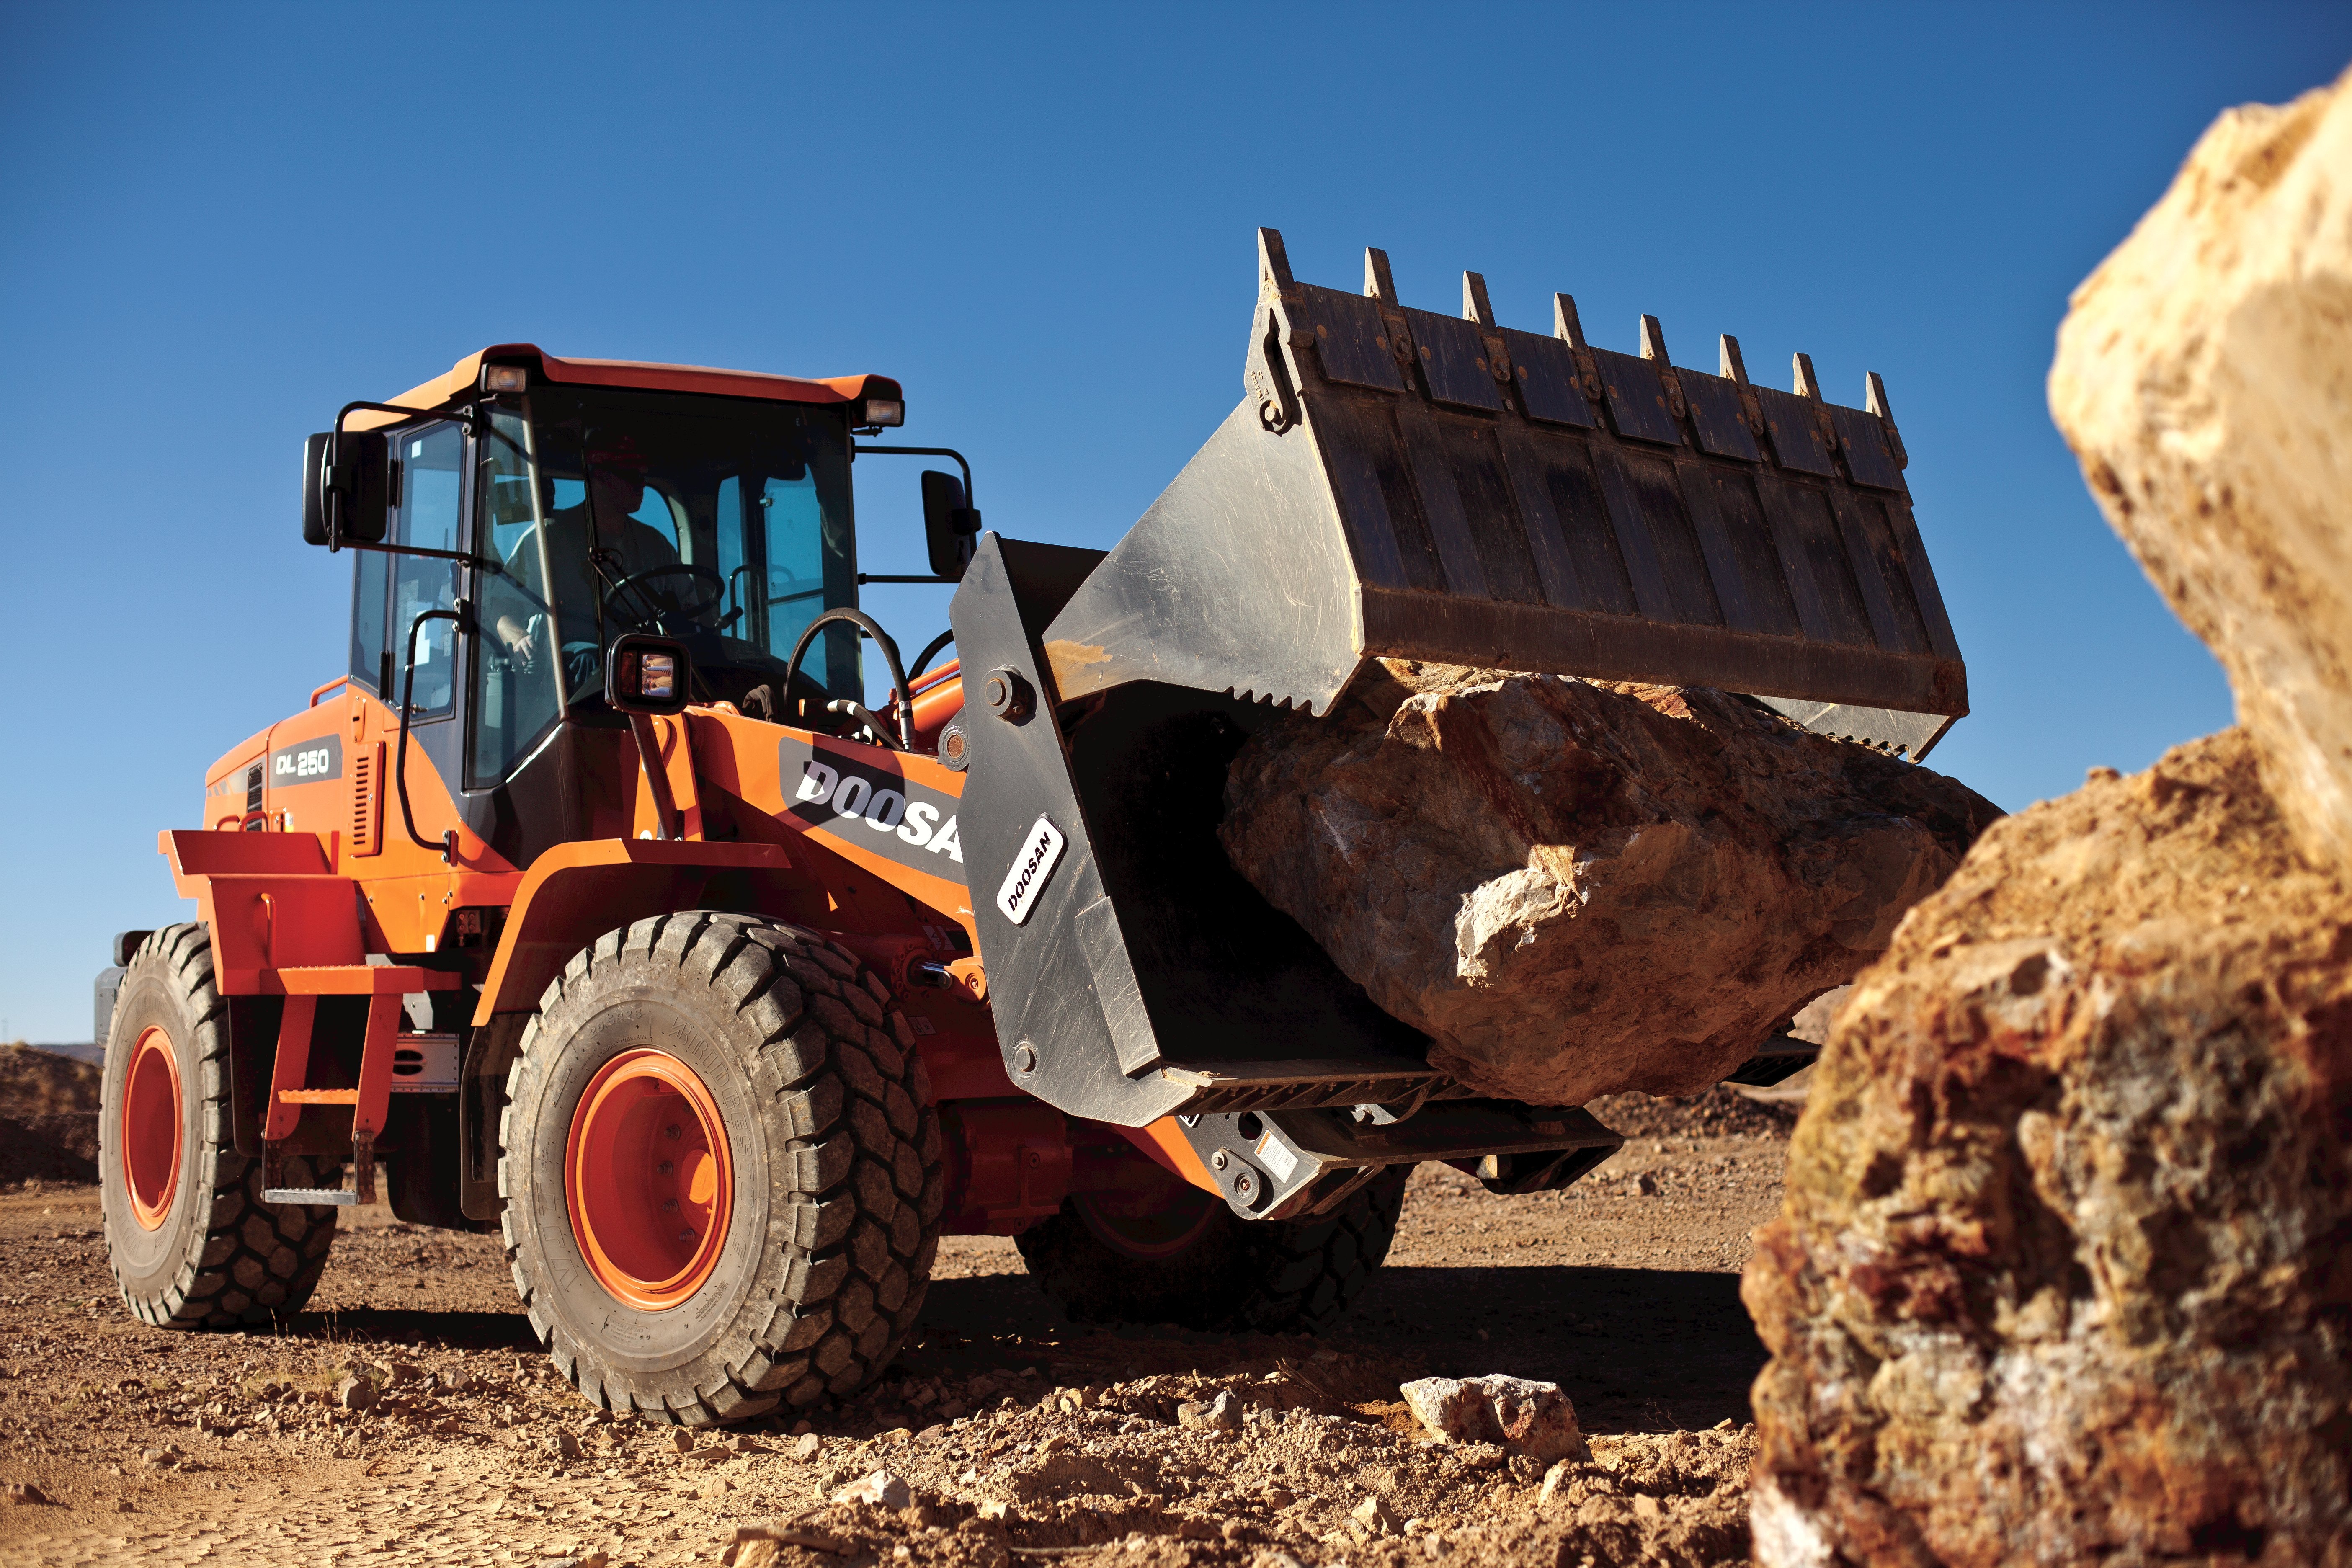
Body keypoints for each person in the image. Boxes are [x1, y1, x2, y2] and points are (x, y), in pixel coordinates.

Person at [490, 434, 681, 698]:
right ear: (599, 477)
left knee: (681, 670)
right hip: (572, 679)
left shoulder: (657, 546)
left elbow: (688, 609)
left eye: (644, 475)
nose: (642, 485)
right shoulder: (548, 538)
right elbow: (502, 607)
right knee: (592, 662)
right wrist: (520, 637)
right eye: (631, 475)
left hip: (640, 671)